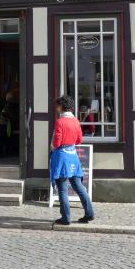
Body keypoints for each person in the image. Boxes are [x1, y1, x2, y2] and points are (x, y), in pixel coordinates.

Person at [50, 95, 95, 225]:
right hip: (73, 156)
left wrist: (52, 146)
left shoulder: (60, 122)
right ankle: (89, 213)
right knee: (79, 187)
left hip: (62, 157)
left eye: (58, 106)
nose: (57, 108)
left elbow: (57, 143)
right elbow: (79, 140)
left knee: (62, 189)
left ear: (62, 106)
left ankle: (66, 218)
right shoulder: (76, 121)